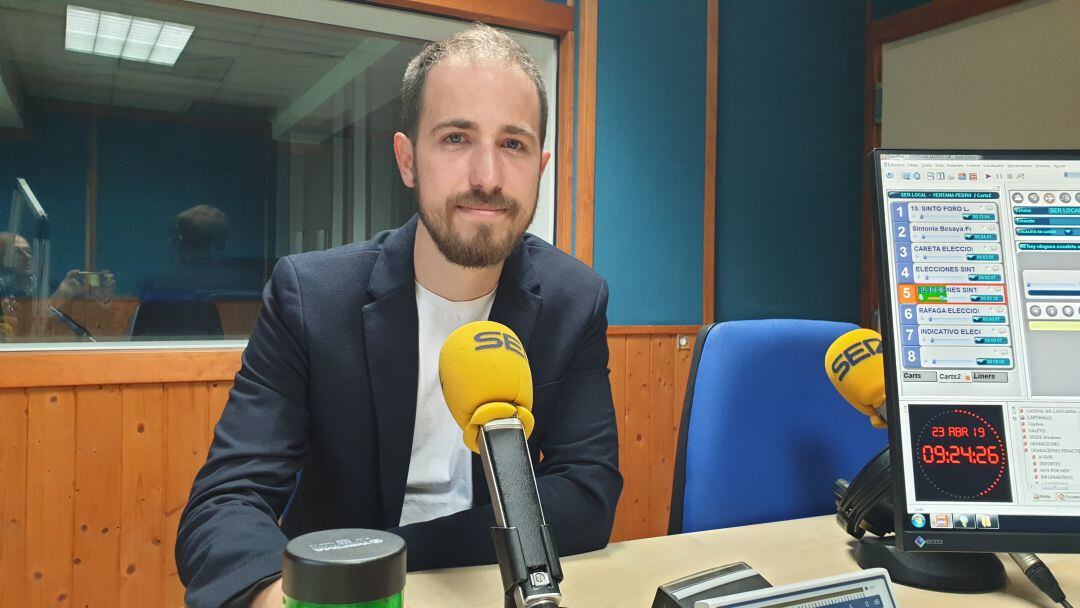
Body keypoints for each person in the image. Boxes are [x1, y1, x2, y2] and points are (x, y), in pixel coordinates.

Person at [176, 23, 622, 608]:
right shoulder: (310, 296)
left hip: (490, 589)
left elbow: (587, 494)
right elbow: (225, 502)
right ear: (408, 160)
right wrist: (281, 596)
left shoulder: (575, 298)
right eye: (456, 138)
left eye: (512, 144)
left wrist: (378, 555)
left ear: (539, 167)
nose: (487, 177)